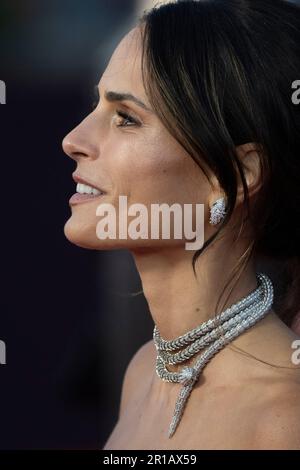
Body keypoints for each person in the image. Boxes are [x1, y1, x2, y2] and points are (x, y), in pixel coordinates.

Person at [62, 0, 300, 450]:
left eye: (126, 118)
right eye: (96, 106)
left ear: (237, 175)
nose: (73, 140)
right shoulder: (141, 372)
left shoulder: (284, 418)